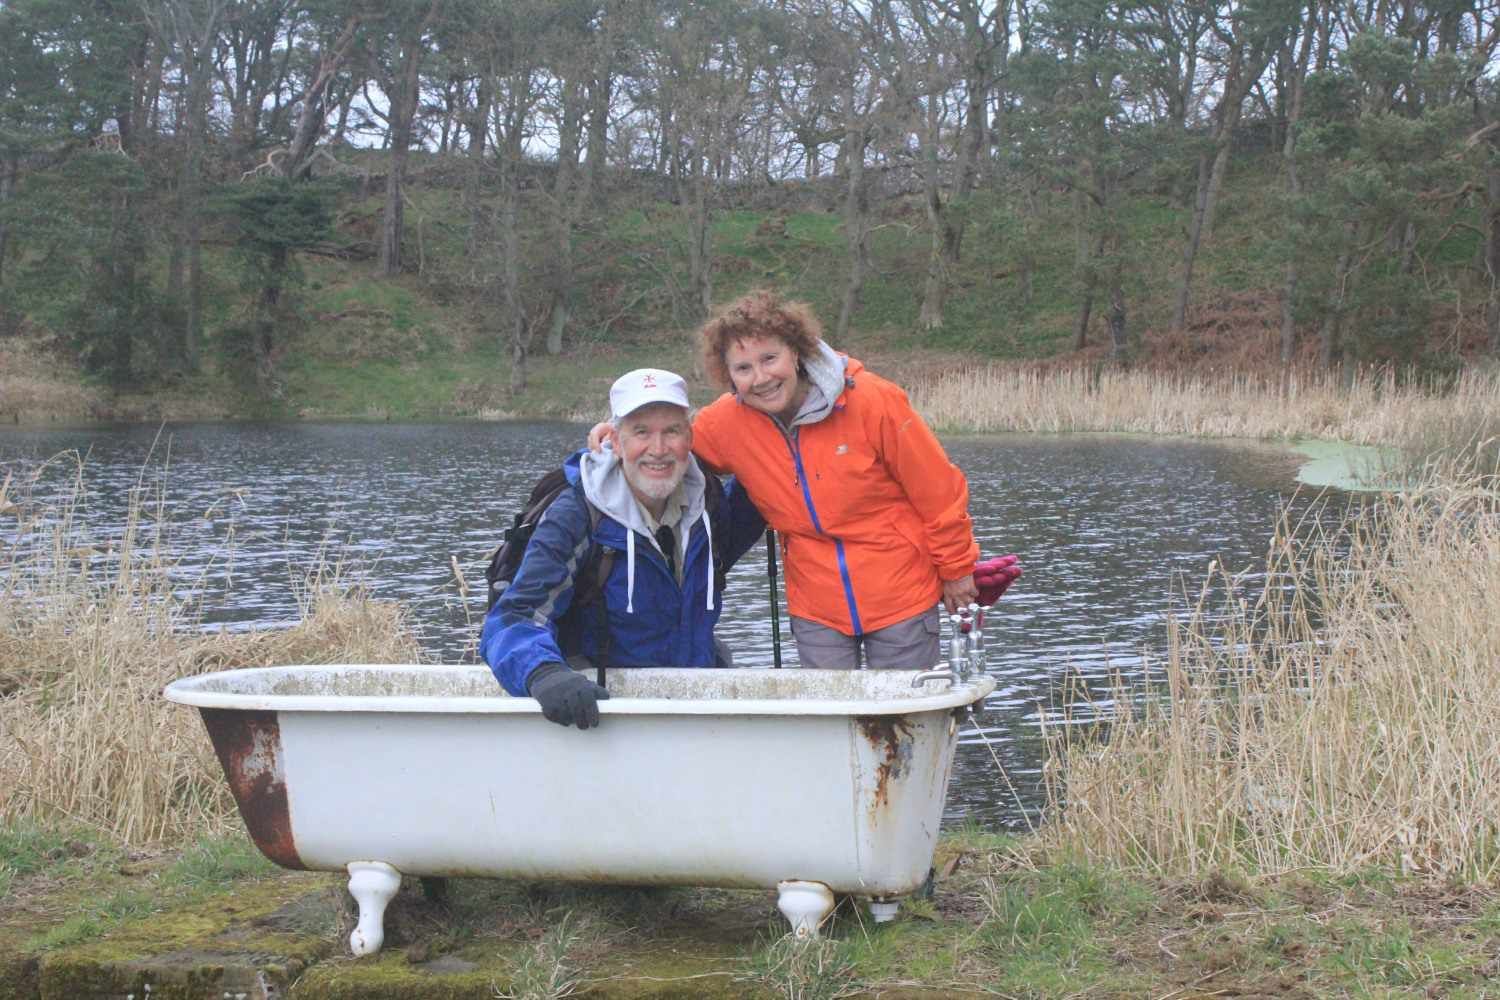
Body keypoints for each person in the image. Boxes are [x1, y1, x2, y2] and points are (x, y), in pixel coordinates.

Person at [593, 290, 987, 670]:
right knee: (829, 712)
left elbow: (939, 492)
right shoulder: (726, 423)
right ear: (728, 375)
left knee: (906, 708)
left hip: (903, 594)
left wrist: (956, 570)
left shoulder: (873, 400)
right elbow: (666, 447)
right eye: (743, 368)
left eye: (770, 358)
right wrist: (611, 439)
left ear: (797, 352)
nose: (761, 377)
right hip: (816, 609)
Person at [482, 368, 764, 729]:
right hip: (605, 719)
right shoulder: (577, 515)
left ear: (690, 438)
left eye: (672, 431)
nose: (658, 449)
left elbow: (769, 461)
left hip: (696, 711)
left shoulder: (709, 504)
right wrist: (544, 673)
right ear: (615, 441)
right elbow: (513, 617)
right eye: (641, 432)